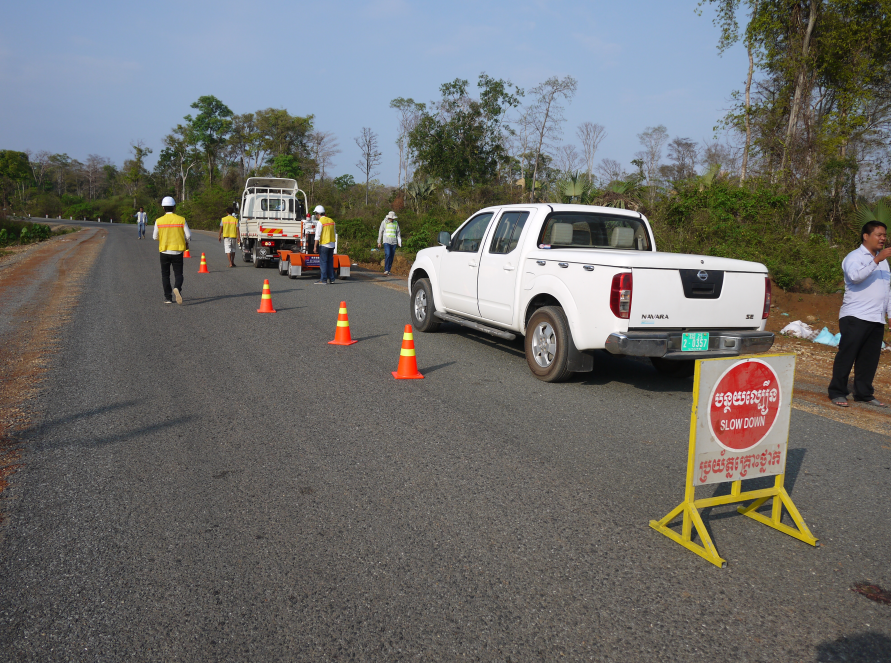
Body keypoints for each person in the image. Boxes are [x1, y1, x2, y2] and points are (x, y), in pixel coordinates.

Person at [828, 220, 891, 407]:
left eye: (885, 235)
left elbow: (887, 289)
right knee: (847, 355)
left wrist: (889, 314)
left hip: (876, 317)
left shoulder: (883, 261)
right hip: (855, 316)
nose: (883, 238)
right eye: (878, 235)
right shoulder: (854, 257)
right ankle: (837, 391)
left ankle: (863, 393)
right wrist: (876, 261)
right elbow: (855, 277)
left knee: (869, 359)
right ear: (866, 236)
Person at [152, 196, 191, 305]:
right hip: (178, 251)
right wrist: (186, 242)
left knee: (165, 275)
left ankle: (168, 297)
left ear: (163, 208)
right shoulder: (181, 219)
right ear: (174, 207)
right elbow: (188, 235)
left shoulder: (159, 221)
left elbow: (155, 237)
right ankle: (177, 287)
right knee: (178, 274)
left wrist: (163, 238)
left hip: (164, 251)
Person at [312, 205, 336, 285]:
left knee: (323, 262)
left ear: (318, 214)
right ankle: (332, 279)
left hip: (324, 245)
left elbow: (317, 236)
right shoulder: (331, 220)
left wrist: (315, 246)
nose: (316, 216)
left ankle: (323, 279)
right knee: (329, 262)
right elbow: (334, 233)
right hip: (332, 245)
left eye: (316, 214)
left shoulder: (320, 222)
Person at [377, 211, 402, 276]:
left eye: (393, 218)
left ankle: (389, 270)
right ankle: (386, 269)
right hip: (386, 241)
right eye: (391, 218)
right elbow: (380, 232)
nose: (392, 219)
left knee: (391, 256)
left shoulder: (396, 223)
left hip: (394, 242)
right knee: (388, 254)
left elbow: (398, 233)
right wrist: (379, 242)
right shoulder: (384, 222)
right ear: (389, 217)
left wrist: (399, 242)